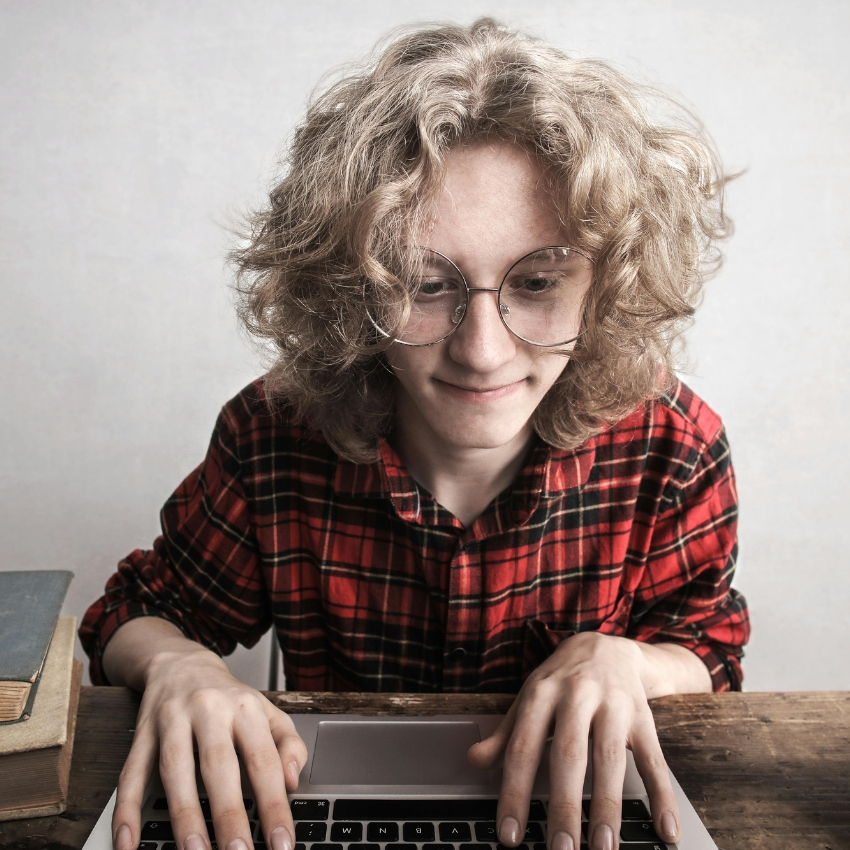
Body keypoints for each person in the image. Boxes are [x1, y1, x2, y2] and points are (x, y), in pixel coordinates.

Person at [80, 18, 750, 850]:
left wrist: (633, 664)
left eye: (538, 281)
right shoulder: (271, 435)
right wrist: (176, 665)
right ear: (346, 285)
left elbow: (710, 650)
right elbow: (135, 614)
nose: (481, 350)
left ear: (608, 281)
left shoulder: (672, 446)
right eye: (423, 284)